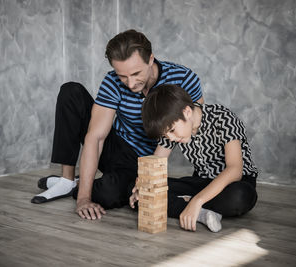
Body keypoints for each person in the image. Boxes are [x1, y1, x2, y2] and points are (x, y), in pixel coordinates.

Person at [31, 29, 204, 221]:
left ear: (151, 59)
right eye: (122, 76)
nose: (130, 83)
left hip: (146, 160)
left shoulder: (183, 78)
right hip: (116, 146)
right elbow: (96, 138)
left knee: (108, 194)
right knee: (71, 92)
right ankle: (67, 180)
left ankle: (82, 184)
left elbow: (196, 126)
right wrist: (83, 199)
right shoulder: (112, 81)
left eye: (136, 73)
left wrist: (149, 177)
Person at [129, 84, 258, 232]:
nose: (171, 138)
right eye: (166, 135)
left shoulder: (223, 118)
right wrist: (144, 187)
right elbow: (155, 164)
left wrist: (197, 200)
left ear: (187, 112)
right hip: (201, 181)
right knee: (137, 192)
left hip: (234, 183)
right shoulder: (173, 128)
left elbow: (235, 170)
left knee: (240, 197)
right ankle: (202, 214)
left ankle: (191, 204)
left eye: (172, 130)